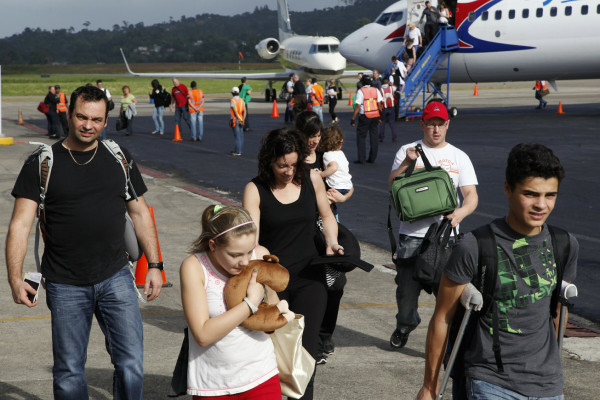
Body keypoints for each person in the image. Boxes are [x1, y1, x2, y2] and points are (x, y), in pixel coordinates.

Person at [6, 85, 163, 399]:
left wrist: (156, 264)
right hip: (65, 283)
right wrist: (15, 278)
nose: (88, 125)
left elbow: (141, 213)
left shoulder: (118, 157)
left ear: (105, 121)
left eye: (96, 119)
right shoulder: (43, 162)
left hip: (116, 276)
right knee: (68, 372)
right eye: (81, 117)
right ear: (69, 114)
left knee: (131, 363)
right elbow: (20, 225)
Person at [416, 143, 578, 400]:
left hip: (548, 385)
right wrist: (429, 385)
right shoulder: (473, 246)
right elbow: (442, 318)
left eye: (550, 195)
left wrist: (554, 368)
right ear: (507, 189)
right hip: (490, 383)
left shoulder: (564, 244)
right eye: (530, 194)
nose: (541, 205)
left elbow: (557, 312)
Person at [242, 128, 344, 400]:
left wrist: (331, 242)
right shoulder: (255, 189)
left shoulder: (312, 178)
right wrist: (262, 269)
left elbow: (327, 216)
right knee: (274, 354)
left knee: (306, 355)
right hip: (273, 281)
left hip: (310, 277)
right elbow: (251, 238)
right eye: (281, 165)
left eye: (293, 164)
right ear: (269, 162)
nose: (288, 171)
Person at [388, 101, 479, 350]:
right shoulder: (407, 151)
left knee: (447, 298)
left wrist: (460, 214)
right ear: (422, 124)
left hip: (445, 238)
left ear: (447, 124)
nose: (436, 129)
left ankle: (447, 344)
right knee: (406, 296)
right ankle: (405, 324)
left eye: (440, 124)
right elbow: (392, 184)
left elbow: (471, 195)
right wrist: (407, 163)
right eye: (431, 124)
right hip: (411, 237)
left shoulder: (459, 156)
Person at [181, 204, 294, 399]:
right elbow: (203, 334)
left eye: (249, 251)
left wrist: (275, 306)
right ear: (213, 246)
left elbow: (272, 315)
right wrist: (250, 304)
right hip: (212, 384)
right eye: (235, 255)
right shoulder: (195, 267)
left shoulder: (260, 256)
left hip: (262, 376)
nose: (244, 261)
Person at [319, 124, 353, 219]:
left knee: (326, 202)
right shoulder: (341, 154)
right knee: (331, 204)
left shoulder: (327, 155)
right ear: (340, 142)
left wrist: (321, 174)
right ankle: (335, 218)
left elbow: (333, 167)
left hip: (336, 187)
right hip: (347, 186)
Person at [351, 74, 383, 164]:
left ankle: (362, 159)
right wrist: (381, 116)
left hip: (365, 115)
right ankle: (372, 158)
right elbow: (379, 103)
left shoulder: (361, 91)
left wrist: (353, 118)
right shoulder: (376, 90)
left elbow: (357, 105)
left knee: (361, 137)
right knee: (374, 137)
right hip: (375, 114)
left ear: (362, 82)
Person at [379, 78, 398, 143]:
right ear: (387, 83)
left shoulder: (380, 90)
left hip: (384, 108)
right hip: (391, 107)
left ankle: (381, 137)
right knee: (392, 123)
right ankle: (394, 137)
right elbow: (396, 87)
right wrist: (391, 84)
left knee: (382, 124)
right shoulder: (391, 88)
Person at [229, 86, 246, 156]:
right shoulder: (242, 100)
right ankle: (239, 150)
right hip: (241, 118)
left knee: (237, 136)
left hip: (235, 119)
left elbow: (235, 112)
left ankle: (238, 151)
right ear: (239, 92)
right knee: (241, 135)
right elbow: (245, 111)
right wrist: (243, 119)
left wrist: (240, 119)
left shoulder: (232, 100)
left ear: (232, 93)